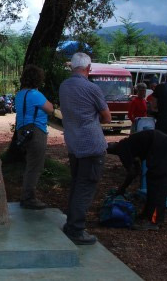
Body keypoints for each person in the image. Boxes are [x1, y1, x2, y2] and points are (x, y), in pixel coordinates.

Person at [59, 52, 111, 245]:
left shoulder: (64, 87)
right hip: (91, 145)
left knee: (77, 184)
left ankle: (71, 223)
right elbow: (107, 117)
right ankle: (76, 230)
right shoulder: (92, 88)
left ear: (72, 67)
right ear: (88, 68)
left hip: (74, 144)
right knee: (86, 187)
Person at [107, 130, 167, 231]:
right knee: (152, 179)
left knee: (156, 182)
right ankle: (148, 213)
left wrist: (122, 188)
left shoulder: (122, 150)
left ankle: (154, 221)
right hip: (163, 141)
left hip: (160, 144)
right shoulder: (127, 144)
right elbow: (136, 169)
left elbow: (132, 173)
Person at [15, 64, 54, 209]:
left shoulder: (20, 95)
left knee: (30, 164)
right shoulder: (35, 94)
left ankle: (27, 195)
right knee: (35, 166)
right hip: (36, 132)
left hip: (22, 132)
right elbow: (50, 109)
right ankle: (28, 198)